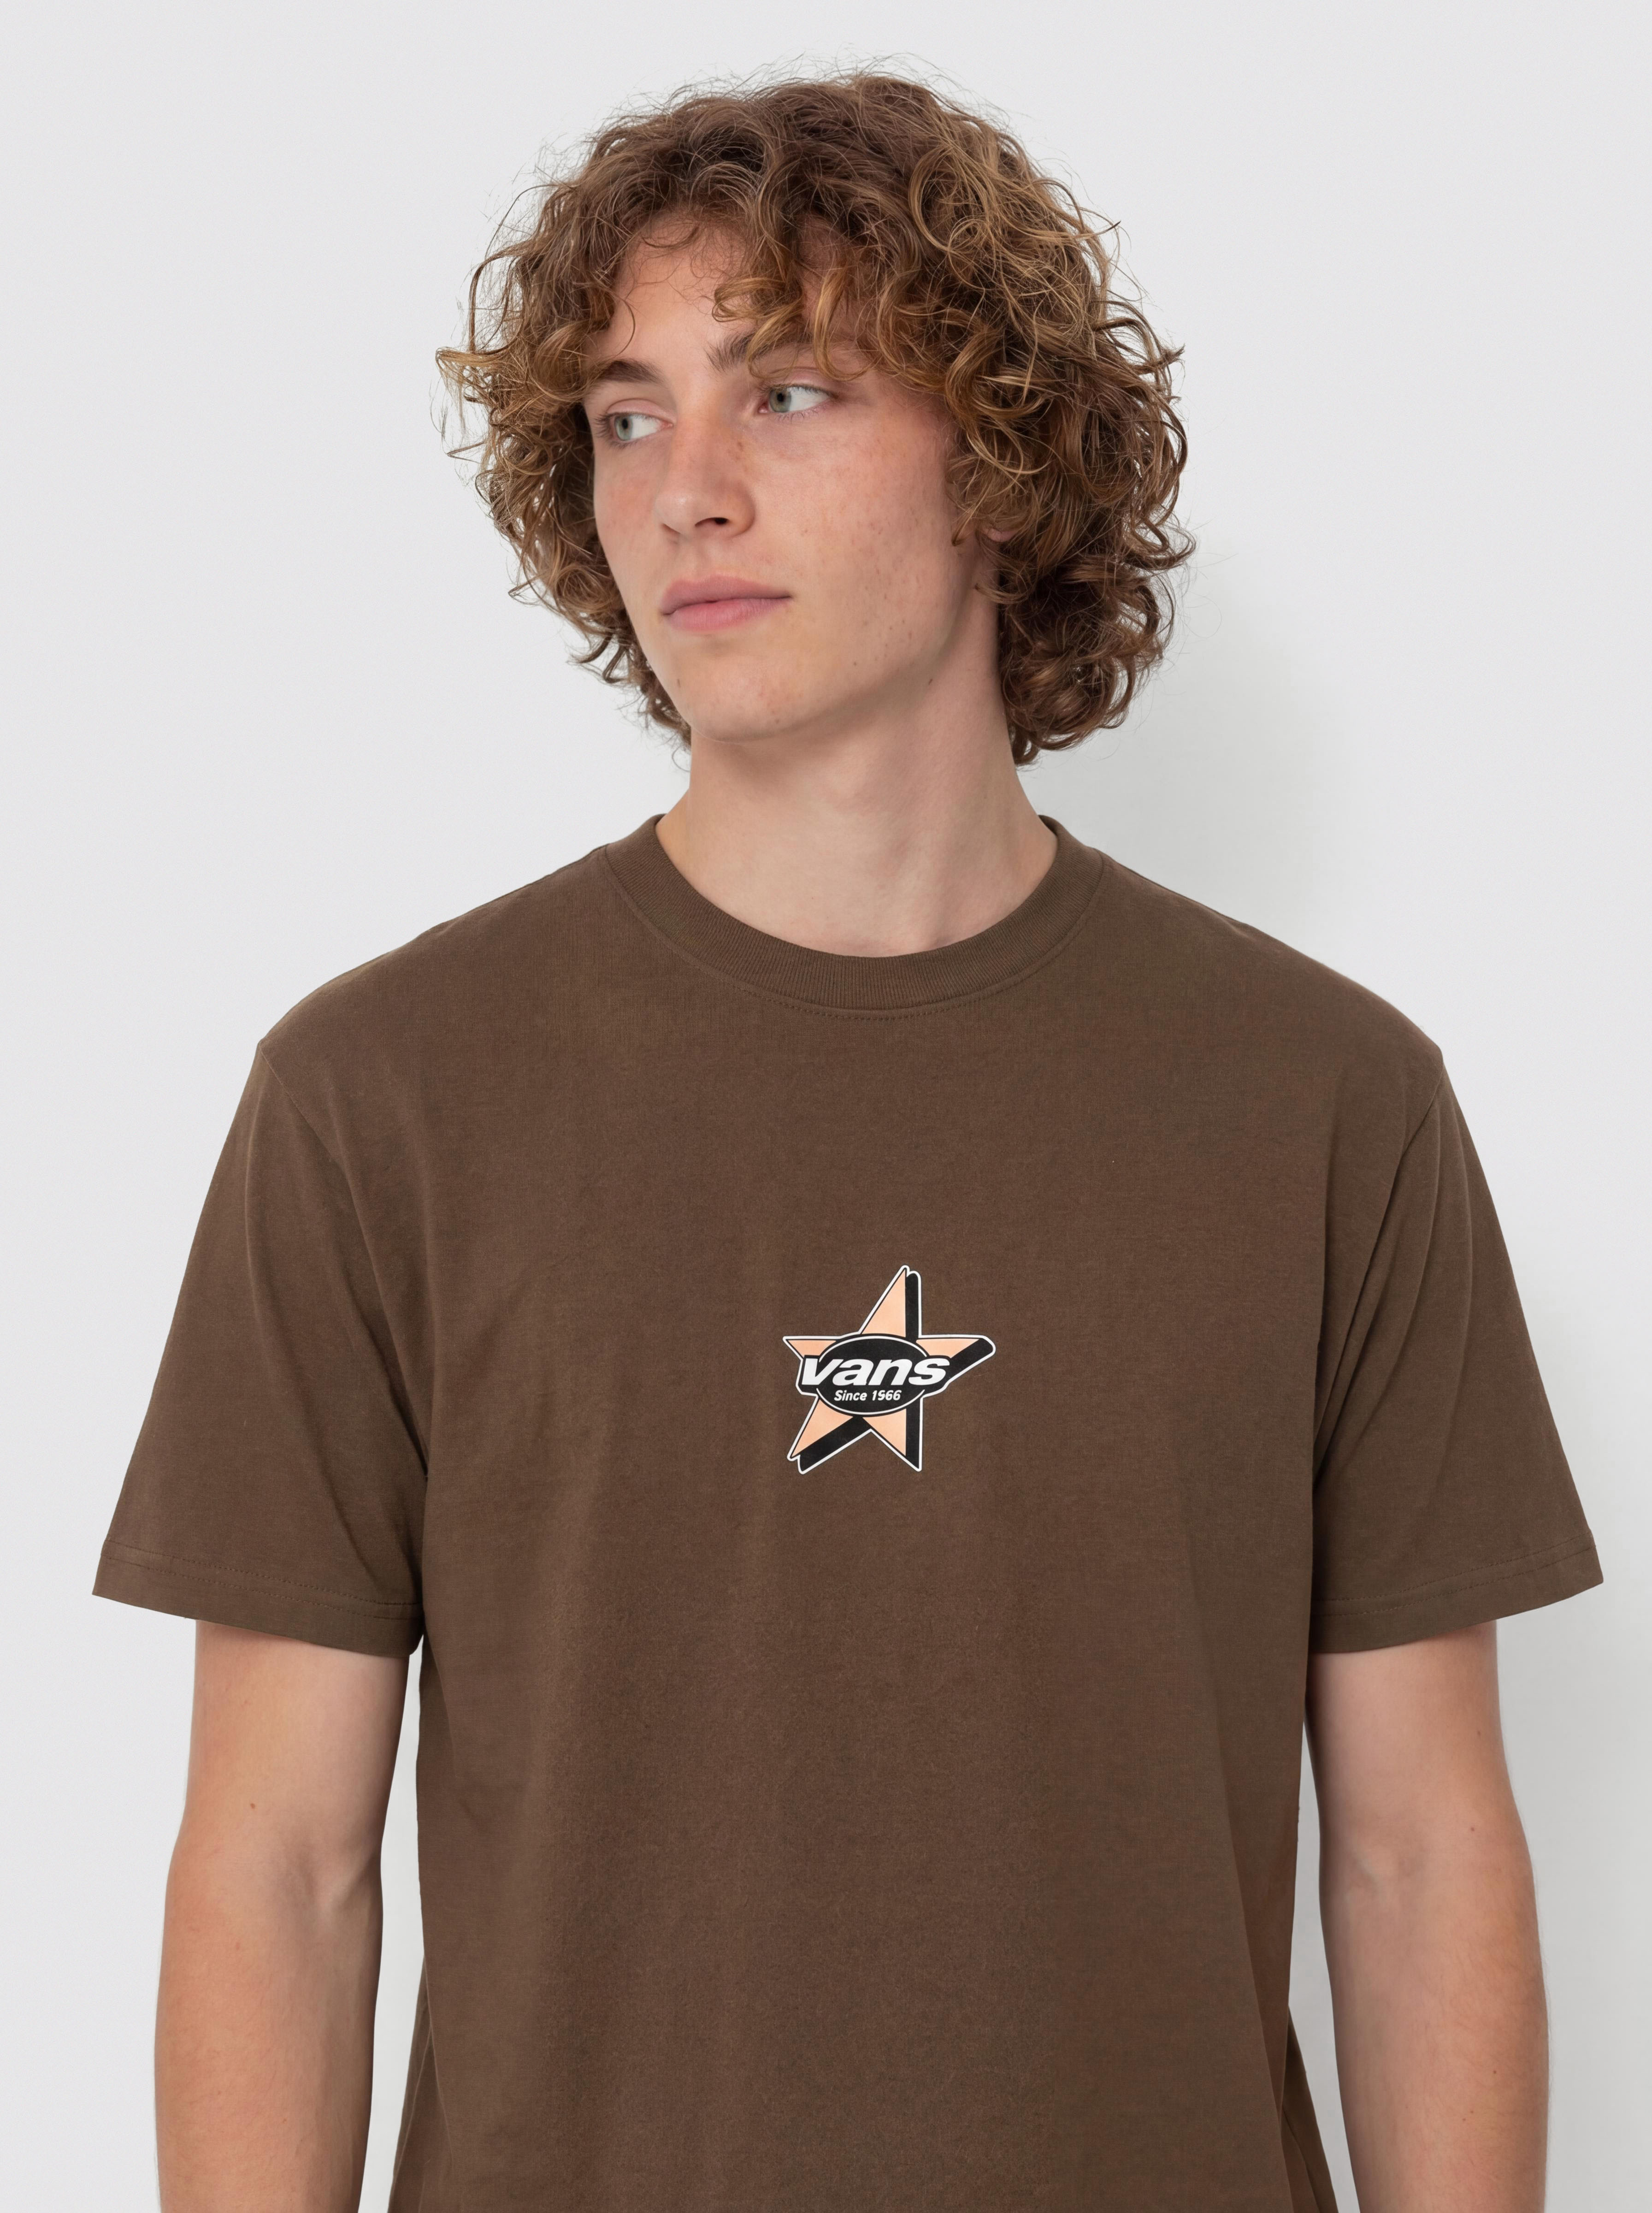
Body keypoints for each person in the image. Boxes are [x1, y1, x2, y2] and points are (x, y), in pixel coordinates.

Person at [94, 71, 1602, 2213]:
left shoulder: (1324, 1099)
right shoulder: (379, 1098)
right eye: (626, 417)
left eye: (786, 394)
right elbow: (276, 1866)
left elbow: (1419, 1850)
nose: (685, 493)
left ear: (999, 457)